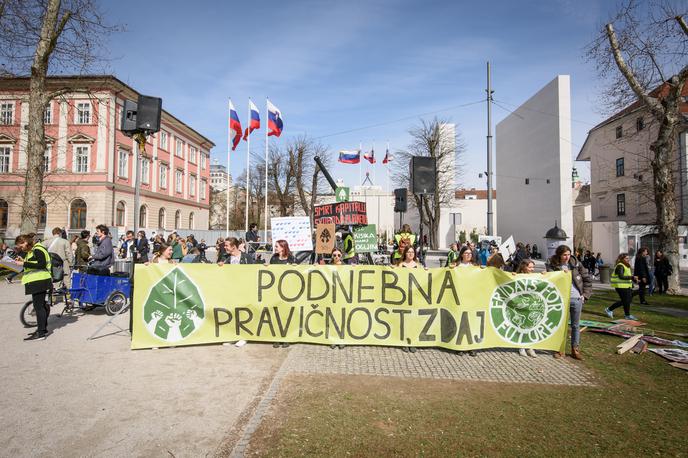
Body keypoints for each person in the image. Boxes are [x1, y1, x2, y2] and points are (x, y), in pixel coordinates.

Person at [546, 245, 592, 360]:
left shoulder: (576, 264)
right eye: (564, 255)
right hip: (561, 300)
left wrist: (585, 295)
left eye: (568, 254)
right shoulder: (553, 265)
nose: (567, 257)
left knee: (576, 325)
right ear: (559, 255)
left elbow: (587, 280)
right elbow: (550, 279)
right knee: (561, 325)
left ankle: (575, 349)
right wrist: (561, 275)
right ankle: (559, 349)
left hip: (576, 299)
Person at [14, 234, 53, 341]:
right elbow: (34, 263)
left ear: (26, 242)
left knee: (39, 307)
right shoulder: (33, 251)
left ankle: (41, 333)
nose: (21, 248)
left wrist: (24, 263)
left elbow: (41, 265)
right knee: (40, 306)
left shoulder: (38, 249)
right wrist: (23, 261)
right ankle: (42, 330)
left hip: (40, 280)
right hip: (38, 280)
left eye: (21, 246)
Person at [605, 253, 638, 320]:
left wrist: (632, 281)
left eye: (628, 258)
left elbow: (627, 276)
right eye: (626, 258)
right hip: (620, 286)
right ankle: (609, 309)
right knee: (625, 301)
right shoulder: (620, 265)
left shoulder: (626, 265)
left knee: (627, 301)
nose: (628, 260)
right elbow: (621, 276)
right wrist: (631, 277)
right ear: (622, 259)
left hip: (626, 286)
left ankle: (627, 315)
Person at [515, 259, 537, 358]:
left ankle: (530, 347)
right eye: (530, 267)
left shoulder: (536, 277)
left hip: (532, 304)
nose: (532, 269)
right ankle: (521, 346)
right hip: (521, 303)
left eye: (533, 267)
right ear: (524, 267)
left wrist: (545, 275)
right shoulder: (517, 276)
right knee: (522, 325)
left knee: (531, 326)